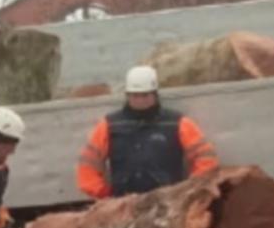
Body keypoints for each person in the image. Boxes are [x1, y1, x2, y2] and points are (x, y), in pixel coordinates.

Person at [76, 65, 219, 199]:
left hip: (167, 204)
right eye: (135, 95)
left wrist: (190, 191)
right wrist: (104, 194)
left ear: (155, 94)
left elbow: (206, 158)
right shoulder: (109, 125)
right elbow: (88, 163)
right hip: (124, 205)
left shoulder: (178, 123)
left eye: (145, 95)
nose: (140, 100)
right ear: (127, 95)